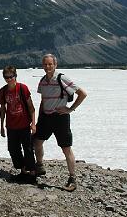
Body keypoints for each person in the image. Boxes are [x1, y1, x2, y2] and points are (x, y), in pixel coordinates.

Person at [34, 53, 87, 191]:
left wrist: (70, 109)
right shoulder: (42, 81)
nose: (47, 66)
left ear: (55, 65)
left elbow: (82, 93)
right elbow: (43, 100)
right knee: (37, 142)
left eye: (50, 64)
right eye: (45, 64)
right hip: (45, 117)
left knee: (66, 148)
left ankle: (72, 177)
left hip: (60, 117)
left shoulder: (61, 78)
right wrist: (39, 117)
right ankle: (39, 166)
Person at [0, 66, 37, 184]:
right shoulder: (3, 91)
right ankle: (23, 171)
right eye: (6, 77)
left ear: (15, 76)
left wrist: (33, 123)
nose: (9, 79)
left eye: (11, 77)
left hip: (24, 124)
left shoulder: (22, 88)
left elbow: (31, 107)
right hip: (11, 126)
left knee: (28, 149)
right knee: (13, 149)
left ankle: (33, 173)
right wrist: (1, 125)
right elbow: (2, 109)